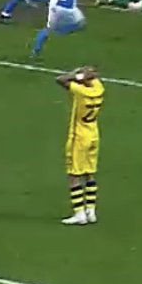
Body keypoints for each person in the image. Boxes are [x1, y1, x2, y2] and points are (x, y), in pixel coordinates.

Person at [55, 66, 104, 225]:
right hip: (93, 135)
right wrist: (83, 75)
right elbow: (94, 76)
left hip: (79, 137)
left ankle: (79, 214)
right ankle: (91, 210)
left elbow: (60, 79)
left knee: (73, 175)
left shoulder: (81, 92)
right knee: (89, 173)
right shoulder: (99, 89)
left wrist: (74, 75)